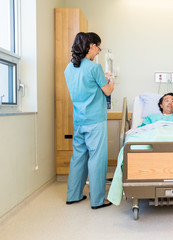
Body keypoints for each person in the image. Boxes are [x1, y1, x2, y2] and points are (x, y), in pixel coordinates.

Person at [64, 32, 114, 209]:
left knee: (78, 157)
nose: (98, 52)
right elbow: (107, 91)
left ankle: (74, 195)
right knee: (97, 159)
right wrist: (111, 81)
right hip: (95, 121)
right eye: (98, 48)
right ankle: (98, 200)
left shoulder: (68, 68)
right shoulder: (94, 68)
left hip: (79, 120)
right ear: (91, 46)